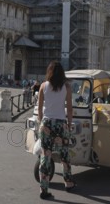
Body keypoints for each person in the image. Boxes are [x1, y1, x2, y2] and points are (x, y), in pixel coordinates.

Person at [37, 60, 76, 200]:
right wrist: (69, 124)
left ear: (49, 72)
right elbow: (69, 108)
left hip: (46, 123)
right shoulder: (67, 86)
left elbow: (40, 108)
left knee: (45, 156)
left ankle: (44, 188)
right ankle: (68, 182)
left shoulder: (43, 86)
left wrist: (41, 122)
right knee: (64, 155)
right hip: (61, 123)